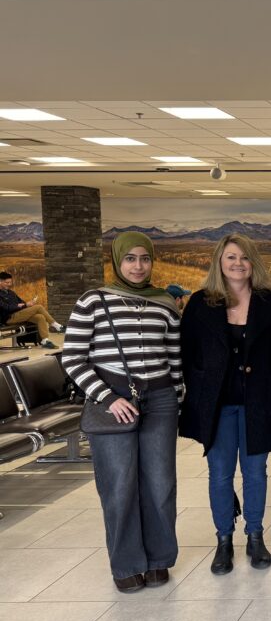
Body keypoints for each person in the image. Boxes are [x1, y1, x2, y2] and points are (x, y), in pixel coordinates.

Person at [61, 232, 182, 592]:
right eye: (130, 258)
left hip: (160, 399)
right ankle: (127, 564)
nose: (138, 266)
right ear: (116, 261)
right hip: (113, 401)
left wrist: (177, 397)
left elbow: (174, 359)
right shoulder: (93, 302)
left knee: (161, 484)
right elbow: (72, 357)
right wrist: (106, 397)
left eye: (144, 258)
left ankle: (159, 559)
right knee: (119, 487)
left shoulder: (165, 303)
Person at [180, 233, 271, 575]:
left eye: (245, 258)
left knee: (255, 472)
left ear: (254, 263)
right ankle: (223, 540)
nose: (238, 264)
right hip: (216, 406)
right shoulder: (200, 303)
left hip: (261, 404)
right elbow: (187, 356)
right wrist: (194, 397)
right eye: (231, 257)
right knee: (220, 475)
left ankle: (255, 535)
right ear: (219, 262)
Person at [0, 271, 63, 348]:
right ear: (0, 281)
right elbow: (6, 308)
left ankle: (45, 341)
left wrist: (28, 303)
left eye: (10, 282)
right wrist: (22, 305)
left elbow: (21, 302)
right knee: (39, 307)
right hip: (8, 318)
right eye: (7, 282)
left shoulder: (11, 292)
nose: (9, 284)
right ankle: (56, 326)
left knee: (40, 317)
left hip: (19, 314)